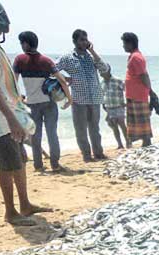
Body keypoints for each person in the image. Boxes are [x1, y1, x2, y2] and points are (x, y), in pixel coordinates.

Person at [0, 0, 51, 226]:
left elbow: (2, 83)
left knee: (20, 159)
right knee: (7, 164)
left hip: (9, 111)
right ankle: (11, 212)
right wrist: (12, 118)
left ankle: (25, 204)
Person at [13, 31, 71, 172]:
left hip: (31, 103)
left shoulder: (19, 60)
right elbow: (62, 80)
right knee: (52, 133)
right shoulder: (46, 61)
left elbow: (13, 82)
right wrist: (69, 98)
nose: (21, 45)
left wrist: (19, 98)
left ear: (26, 43)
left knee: (35, 135)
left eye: (22, 43)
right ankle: (55, 164)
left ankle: (38, 166)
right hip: (48, 102)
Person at [56, 29, 109, 162]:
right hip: (79, 99)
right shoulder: (68, 58)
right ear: (75, 41)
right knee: (81, 130)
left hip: (95, 98)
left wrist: (92, 51)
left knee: (95, 129)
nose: (84, 42)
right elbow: (52, 69)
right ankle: (86, 155)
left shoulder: (91, 57)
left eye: (86, 39)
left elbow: (104, 69)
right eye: (81, 40)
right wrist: (65, 78)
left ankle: (98, 153)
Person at [121, 32, 152, 147]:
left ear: (130, 43)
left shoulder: (136, 57)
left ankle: (147, 143)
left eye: (124, 43)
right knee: (137, 122)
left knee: (142, 121)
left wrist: (150, 92)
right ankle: (145, 143)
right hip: (134, 95)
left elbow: (143, 76)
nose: (123, 46)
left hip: (138, 95)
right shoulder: (133, 56)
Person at [99, 67, 130, 149]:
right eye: (99, 71)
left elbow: (127, 90)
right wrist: (103, 105)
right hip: (109, 108)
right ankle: (119, 144)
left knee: (122, 125)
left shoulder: (117, 80)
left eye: (102, 71)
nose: (100, 73)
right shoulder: (102, 83)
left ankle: (128, 142)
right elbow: (102, 95)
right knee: (114, 126)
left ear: (108, 70)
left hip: (119, 106)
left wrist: (127, 102)